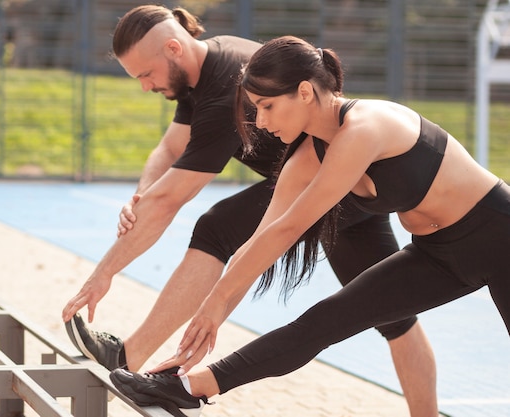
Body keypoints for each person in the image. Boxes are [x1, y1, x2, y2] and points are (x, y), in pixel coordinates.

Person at [61, 6, 438, 415]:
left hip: (334, 181)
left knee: (216, 227)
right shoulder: (198, 74)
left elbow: (172, 199)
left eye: (145, 75)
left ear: (173, 48)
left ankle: (128, 358)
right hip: (340, 186)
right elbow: (170, 149)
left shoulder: (227, 86)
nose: (145, 87)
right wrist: (140, 198)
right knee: (394, 315)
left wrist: (102, 276)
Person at [108, 35, 510, 417]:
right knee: (323, 321)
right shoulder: (305, 158)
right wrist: (210, 315)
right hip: (437, 255)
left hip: (500, 238)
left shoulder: (366, 127)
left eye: (266, 106)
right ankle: (189, 387)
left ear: (303, 92)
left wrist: (214, 307)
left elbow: (289, 230)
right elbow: (262, 240)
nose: (260, 122)